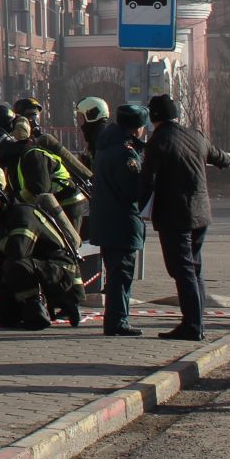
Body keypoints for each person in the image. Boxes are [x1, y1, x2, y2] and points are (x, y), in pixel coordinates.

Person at [141, 93, 230, 341]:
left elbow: (146, 181)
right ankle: (197, 321)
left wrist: (139, 208)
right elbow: (219, 157)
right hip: (201, 214)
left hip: (175, 216)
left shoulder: (158, 142)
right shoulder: (195, 135)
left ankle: (192, 326)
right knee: (194, 268)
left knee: (181, 270)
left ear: (153, 117)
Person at [0, 181, 84, 330]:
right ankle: (26, 310)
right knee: (5, 319)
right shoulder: (6, 219)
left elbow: (18, 250)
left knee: (14, 264)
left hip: (60, 270)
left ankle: (37, 313)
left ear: (3, 198)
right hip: (43, 267)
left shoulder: (22, 214)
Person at [88, 102, 150, 336]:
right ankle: (117, 320)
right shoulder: (125, 153)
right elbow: (133, 189)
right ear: (137, 128)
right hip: (121, 221)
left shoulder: (106, 145)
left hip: (107, 220)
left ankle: (116, 318)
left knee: (116, 272)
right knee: (121, 274)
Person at [13, 95, 91, 229]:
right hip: (59, 201)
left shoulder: (43, 142)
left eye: (35, 116)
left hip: (67, 201)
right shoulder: (30, 145)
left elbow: (42, 185)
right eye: (30, 116)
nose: (33, 120)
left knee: (67, 244)